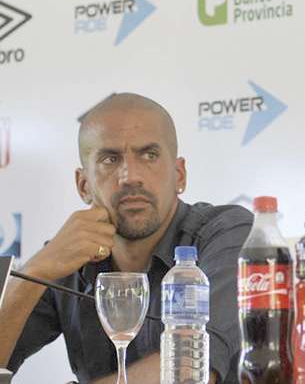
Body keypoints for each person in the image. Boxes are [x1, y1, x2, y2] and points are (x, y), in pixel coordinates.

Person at [0, 93, 253, 383]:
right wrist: (35, 271)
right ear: (84, 186)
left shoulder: (227, 232)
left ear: (179, 175)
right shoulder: (67, 257)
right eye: (110, 159)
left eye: (149, 155)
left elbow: (191, 371)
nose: (130, 176)